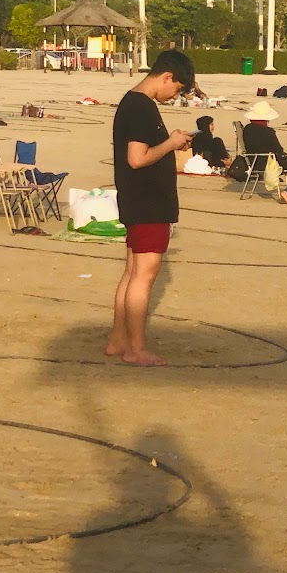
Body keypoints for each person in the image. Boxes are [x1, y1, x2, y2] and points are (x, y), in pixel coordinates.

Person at [108, 50, 196, 367]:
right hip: (148, 203)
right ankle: (136, 348)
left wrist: (170, 141)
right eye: (177, 90)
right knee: (143, 277)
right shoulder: (142, 107)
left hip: (136, 200)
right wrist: (171, 145)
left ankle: (118, 341)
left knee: (132, 273)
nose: (175, 97)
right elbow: (137, 158)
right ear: (167, 77)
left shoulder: (133, 102)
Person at [241, 102, 287, 206]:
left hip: (254, 161)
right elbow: (278, 149)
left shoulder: (247, 129)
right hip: (270, 161)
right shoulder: (267, 131)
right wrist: (283, 154)